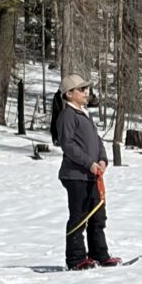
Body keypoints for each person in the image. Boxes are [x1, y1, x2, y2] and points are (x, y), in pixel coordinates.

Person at [51, 74, 121, 270]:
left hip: (92, 175)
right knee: (79, 216)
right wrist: (89, 163)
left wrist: (102, 159)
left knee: (98, 216)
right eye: (82, 90)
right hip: (75, 176)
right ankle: (75, 259)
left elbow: (97, 140)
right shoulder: (67, 115)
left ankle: (99, 254)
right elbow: (68, 145)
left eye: (87, 89)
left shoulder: (85, 113)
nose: (86, 93)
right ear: (69, 94)